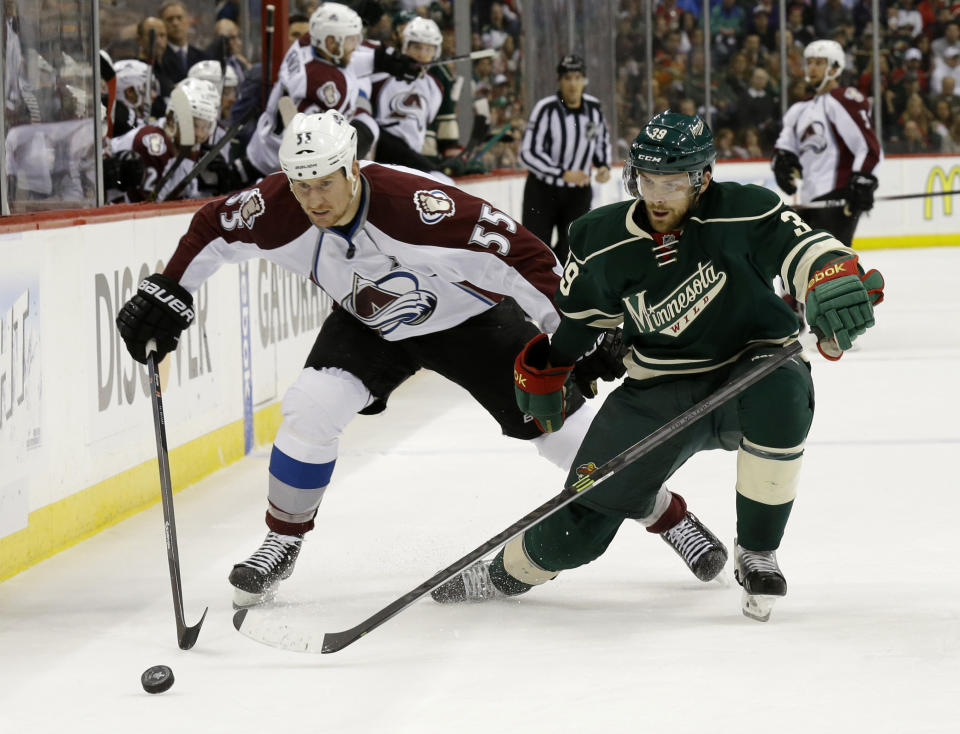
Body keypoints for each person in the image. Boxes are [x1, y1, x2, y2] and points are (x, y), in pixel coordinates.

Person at [114, 109, 728, 609]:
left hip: (472, 323)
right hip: (370, 324)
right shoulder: (277, 207)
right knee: (310, 407)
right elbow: (210, 227)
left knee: (562, 434)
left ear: (352, 169)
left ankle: (670, 516)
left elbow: (526, 256)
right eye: (301, 185)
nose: (313, 198)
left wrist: (577, 334)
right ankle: (281, 543)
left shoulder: (421, 208)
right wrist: (170, 290)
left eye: (325, 181)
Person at [431, 111, 885, 622]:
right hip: (657, 389)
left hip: (750, 369)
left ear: (702, 178)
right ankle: (499, 574)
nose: (658, 195)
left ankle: (758, 549)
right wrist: (555, 365)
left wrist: (831, 275)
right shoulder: (598, 238)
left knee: (782, 393)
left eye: (673, 182)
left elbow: (806, 249)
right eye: (648, 180)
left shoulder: (745, 209)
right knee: (577, 527)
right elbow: (579, 326)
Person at [238, 3, 380, 184]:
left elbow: (346, 59)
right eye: (350, 40)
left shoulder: (304, 44)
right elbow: (320, 144)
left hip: (264, 147)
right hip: (287, 168)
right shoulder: (325, 83)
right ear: (330, 42)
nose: (355, 46)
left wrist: (382, 59)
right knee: (366, 126)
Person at [771, 39, 883, 247]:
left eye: (819, 62)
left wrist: (862, 180)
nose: (812, 68)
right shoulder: (799, 109)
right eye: (810, 62)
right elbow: (784, 146)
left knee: (828, 267)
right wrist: (781, 163)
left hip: (837, 196)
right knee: (796, 266)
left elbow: (868, 147)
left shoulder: (843, 99)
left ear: (835, 67)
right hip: (808, 199)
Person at [519, 54, 611, 266]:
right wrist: (561, 172)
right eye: (568, 78)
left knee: (572, 249)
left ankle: (563, 298)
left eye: (578, 77)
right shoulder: (546, 109)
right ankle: (530, 298)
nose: (573, 83)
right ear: (559, 81)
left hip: (578, 192)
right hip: (542, 191)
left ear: (584, 80)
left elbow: (601, 142)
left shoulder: (594, 108)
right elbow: (528, 152)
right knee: (534, 247)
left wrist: (604, 166)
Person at [110, 77, 221, 201]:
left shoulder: (186, 142)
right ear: (171, 120)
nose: (200, 134)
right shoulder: (152, 143)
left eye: (205, 127)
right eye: (193, 124)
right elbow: (147, 206)